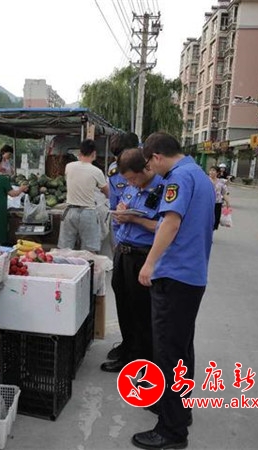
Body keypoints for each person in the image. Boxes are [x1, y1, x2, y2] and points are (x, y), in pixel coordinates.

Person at [134, 132, 214, 450]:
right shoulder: (199, 175)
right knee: (181, 351)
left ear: (156, 156)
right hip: (192, 276)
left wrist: (149, 263)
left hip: (175, 274)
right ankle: (179, 411)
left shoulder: (178, 178)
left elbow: (170, 222)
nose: (151, 169)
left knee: (169, 353)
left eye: (149, 163)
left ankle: (171, 431)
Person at [100, 148, 161, 373]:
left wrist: (134, 219)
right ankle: (128, 349)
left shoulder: (162, 189)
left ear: (145, 168)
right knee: (124, 306)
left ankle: (143, 360)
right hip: (123, 252)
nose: (130, 184)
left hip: (142, 255)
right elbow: (122, 211)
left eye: (133, 178)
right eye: (127, 180)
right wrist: (121, 213)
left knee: (141, 311)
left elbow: (164, 227)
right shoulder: (132, 186)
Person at [58, 139, 109, 253]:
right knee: (89, 251)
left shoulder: (69, 166)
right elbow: (107, 192)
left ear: (79, 153)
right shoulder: (97, 171)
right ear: (94, 153)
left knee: (65, 249)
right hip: (88, 213)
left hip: (70, 212)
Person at [108, 132, 140, 236]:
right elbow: (113, 206)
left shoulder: (152, 172)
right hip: (123, 232)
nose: (119, 161)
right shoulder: (114, 173)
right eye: (116, 157)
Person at [208, 165, 230, 231]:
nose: (211, 172)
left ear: (217, 173)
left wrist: (227, 202)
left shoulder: (221, 182)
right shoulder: (205, 180)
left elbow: (224, 193)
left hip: (217, 203)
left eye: (213, 170)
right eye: (210, 170)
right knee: (206, 220)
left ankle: (211, 232)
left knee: (215, 220)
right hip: (207, 203)